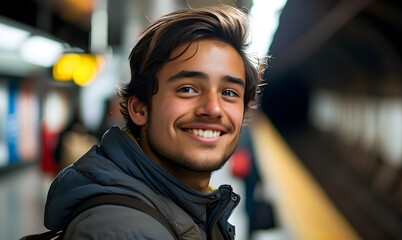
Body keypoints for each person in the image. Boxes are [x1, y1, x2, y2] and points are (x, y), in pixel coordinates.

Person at [42, 4, 267, 240]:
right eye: (187, 89)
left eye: (229, 93)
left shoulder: (188, 206)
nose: (213, 108)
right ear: (140, 109)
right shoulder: (123, 231)